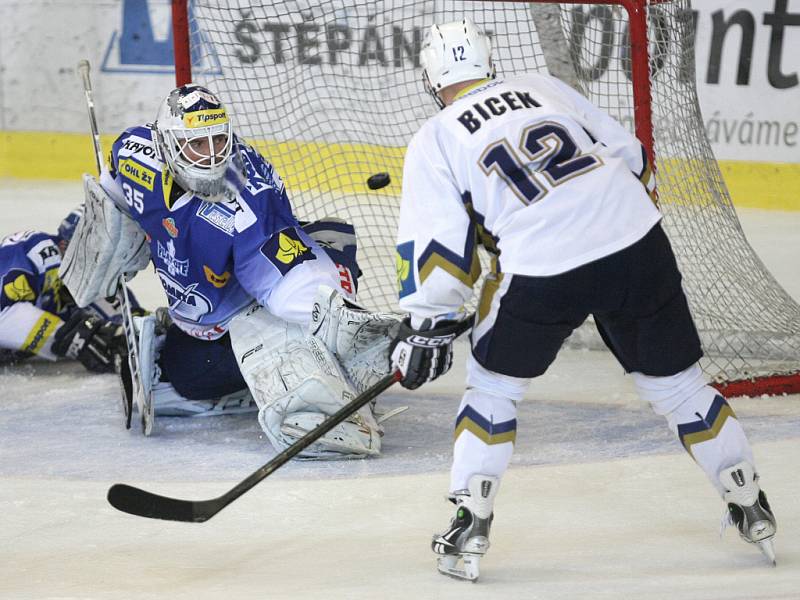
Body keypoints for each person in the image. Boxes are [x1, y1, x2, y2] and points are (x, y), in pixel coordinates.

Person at [389, 18, 777, 581]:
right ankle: (749, 502)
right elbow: (634, 157)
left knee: (495, 386)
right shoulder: (544, 87)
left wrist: (428, 322)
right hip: (638, 240)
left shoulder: (435, 138)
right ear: (488, 64)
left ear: (430, 78)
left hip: (545, 266)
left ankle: (470, 521)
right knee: (680, 387)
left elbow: (437, 254)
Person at [62, 83, 399, 456]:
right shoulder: (135, 153)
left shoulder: (246, 200)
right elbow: (113, 195)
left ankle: (325, 302)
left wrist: (349, 329)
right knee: (182, 368)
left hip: (247, 310)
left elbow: (293, 283)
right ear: (167, 143)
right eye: (198, 144)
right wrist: (111, 231)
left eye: (218, 140)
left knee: (229, 372)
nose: (211, 156)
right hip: (198, 315)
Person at [0, 207, 131, 372]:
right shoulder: (39, 249)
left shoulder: (87, 283)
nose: (99, 263)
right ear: (65, 244)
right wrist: (67, 336)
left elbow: (127, 320)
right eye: (94, 253)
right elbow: (4, 313)